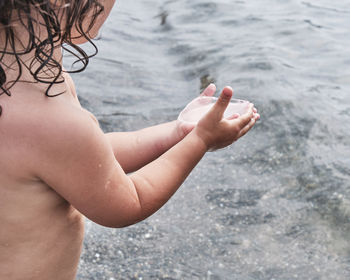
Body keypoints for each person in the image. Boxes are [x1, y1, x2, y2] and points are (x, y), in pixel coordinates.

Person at [0, 1, 259, 279]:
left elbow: (85, 163)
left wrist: (178, 132)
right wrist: (200, 141)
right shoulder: (52, 119)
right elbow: (129, 202)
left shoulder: (26, 92)